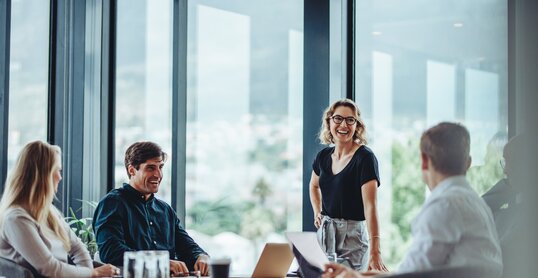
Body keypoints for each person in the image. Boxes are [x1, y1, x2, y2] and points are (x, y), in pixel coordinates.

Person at [323, 122, 503, 278]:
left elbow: (411, 277)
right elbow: (415, 271)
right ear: (468, 163)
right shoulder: (476, 204)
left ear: (424, 161)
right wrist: (358, 274)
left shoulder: (444, 206)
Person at [0, 141, 118, 277]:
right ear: (42, 175)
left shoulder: (48, 211)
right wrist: (92, 273)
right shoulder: (16, 219)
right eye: (57, 170)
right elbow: (50, 269)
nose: (60, 177)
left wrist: (88, 274)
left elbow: (77, 248)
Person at [93, 141, 210, 276]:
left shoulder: (165, 210)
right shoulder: (113, 203)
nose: (158, 175)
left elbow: (186, 246)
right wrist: (161, 262)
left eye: (160, 167)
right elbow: (111, 252)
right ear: (132, 170)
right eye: (150, 168)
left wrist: (201, 256)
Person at [309, 99, 387, 271]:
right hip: (325, 234)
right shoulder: (323, 156)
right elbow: (314, 186)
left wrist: (376, 252)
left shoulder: (365, 158)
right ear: (329, 122)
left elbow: (371, 207)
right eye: (338, 118)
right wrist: (317, 211)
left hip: (353, 238)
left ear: (356, 125)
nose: (343, 124)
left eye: (350, 120)